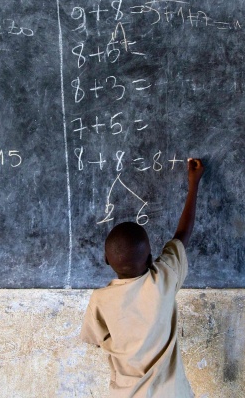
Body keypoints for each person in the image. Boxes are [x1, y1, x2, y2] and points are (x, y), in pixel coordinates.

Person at [80, 158, 205, 398]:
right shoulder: (163, 280)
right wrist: (193, 184)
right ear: (150, 259)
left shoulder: (100, 301)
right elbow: (182, 235)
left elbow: (95, 339)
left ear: (106, 260)